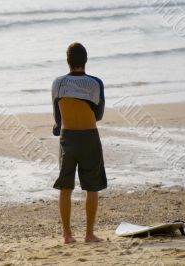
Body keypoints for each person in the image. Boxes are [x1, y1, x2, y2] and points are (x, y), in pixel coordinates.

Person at [51, 42, 107, 244]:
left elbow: (57, 118)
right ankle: (89, 235)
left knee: (65, 188)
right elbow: (98, 115)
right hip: (89, 137)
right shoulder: (95, 83)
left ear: (68, 61)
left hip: (67, 139)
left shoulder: (57, 83)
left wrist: (59, 127)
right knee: (92, 187)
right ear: (85, 60)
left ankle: (67, 235)